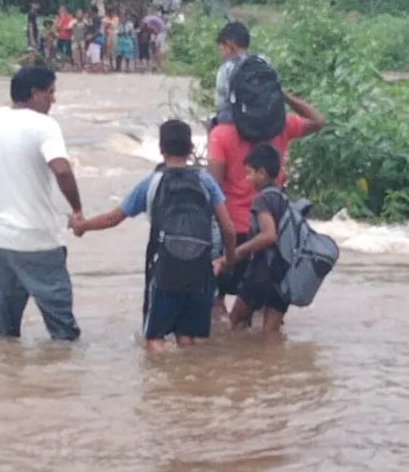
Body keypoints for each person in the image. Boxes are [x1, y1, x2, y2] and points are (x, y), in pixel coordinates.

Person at [71, 120, 238, 352]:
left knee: (155, 337)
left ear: (161, 149)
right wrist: (228, 259)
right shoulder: (205, 181)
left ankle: (159, 385)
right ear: (191, 149)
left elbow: (113, 218)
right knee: (186, 335)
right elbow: (228, 228)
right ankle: (188, 381)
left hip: (165, 266)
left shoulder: (152, 182)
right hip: (200, 268)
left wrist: (82, 226)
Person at [0, 65, 85, 341]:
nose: (54, 99)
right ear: (35, 94)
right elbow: (61, 169)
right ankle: (64, 381)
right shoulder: (44, 125)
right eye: (51, 92)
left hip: (0, 241)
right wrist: (77, 210)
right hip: (39, 241)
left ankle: (7, 378)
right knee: (63, 332)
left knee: (5, 330)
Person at [206, 91, 326, 324]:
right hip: (272, 247)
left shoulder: (220, 134)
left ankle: (229, 355)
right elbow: (318, 121)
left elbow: (214, 186)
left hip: (233, 233)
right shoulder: (281, 128)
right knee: (266, 313)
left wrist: (226, 253)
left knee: (224, 306)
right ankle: (268, 358)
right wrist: (286, 97)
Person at [229, 143, 291, 334]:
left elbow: (269, 235)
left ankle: (244, 363)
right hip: (284, 275)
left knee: (237, 319)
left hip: (262, 273)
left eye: (249, 173)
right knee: (271, 333)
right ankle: (271, 364)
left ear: (262, 173)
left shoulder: (261, 200)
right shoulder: (283, 198)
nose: (248, 179)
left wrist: (238, 251)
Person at [212, 21, 253, 128]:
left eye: (222, 46)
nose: (220, 50)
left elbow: (220, 105)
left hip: (236, 127)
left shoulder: (226, 69)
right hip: (265, 122)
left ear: (231, 43)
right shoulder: (264, 61)